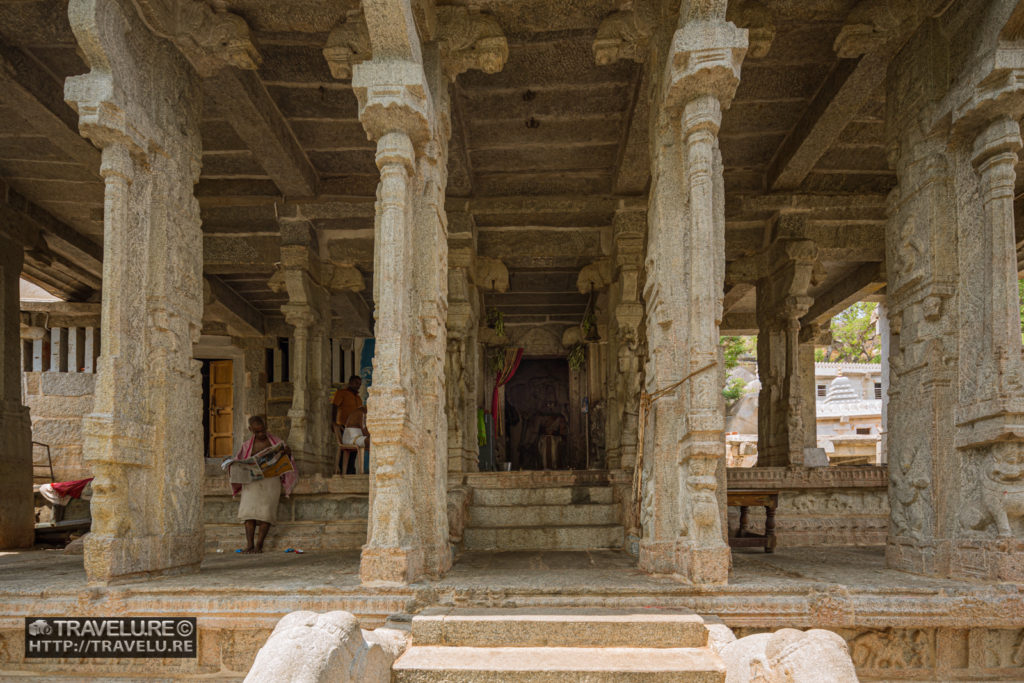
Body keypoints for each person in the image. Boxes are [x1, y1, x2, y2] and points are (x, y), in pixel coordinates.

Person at [229, 415, 297, 554]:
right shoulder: (247, 445)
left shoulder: (276, 442)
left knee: (266, 513)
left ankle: (259, 546)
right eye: (257, 431)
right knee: (248, 513)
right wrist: (233, 465)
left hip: (270, 481)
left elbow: (288, 461)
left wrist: (287, 454)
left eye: (263, 430)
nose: (261, 434)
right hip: (252, 482)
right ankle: (249, 545)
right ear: (250, 429)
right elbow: (238, 461)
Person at [340, 406, 370, 475]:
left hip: (357, 437)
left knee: (373, 440)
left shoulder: (362, 412)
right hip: (352, 438)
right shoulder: (361, 413)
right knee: (372, 440)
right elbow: (364, 430)